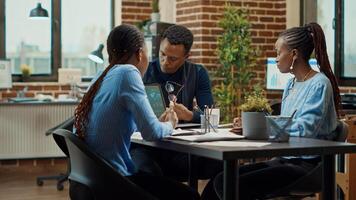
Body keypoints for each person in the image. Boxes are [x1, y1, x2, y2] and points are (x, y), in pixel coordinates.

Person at [201, 22, 341, 200]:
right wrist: (252, 126)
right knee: (220, 179)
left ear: (294, 54)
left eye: (278, 52)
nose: (275, 58)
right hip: (285, 159)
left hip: (307, 165)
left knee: (229, 184)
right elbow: (285, 122)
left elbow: (305, 130)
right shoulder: (291, 84)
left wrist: (260, 126)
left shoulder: (319, 84)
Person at [74, 24, 199, 200]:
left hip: (89, 180)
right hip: (114, 182)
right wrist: (170, 123)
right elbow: (152, 133)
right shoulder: (128, 72)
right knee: (190, 196)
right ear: (140, 53)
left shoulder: (101, 75)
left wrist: (154, 122)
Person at [131, 24, 222, 181]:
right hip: (146, 146)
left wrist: (189, 115)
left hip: (181, 149)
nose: (165, 62)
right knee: (145, 172)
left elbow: (211, 118)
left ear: (187, 57)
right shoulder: (142, 71)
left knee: (221, 167)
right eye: (162, 54)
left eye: (173, 58)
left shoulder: (197, 73)